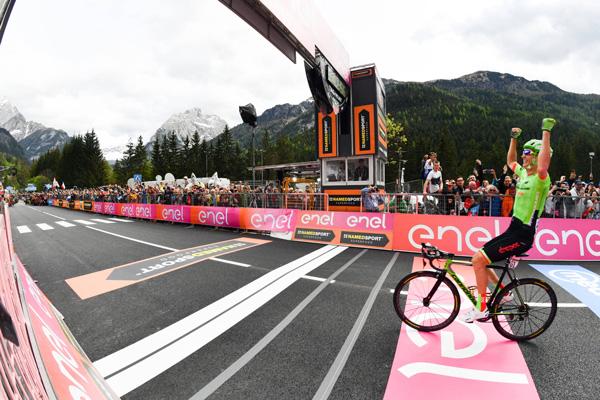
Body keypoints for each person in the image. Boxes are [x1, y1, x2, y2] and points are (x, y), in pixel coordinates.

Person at [463, 118, 555, 323]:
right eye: (524, 152)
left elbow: (544, 162)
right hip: (513, 228)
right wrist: (513, 139)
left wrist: (546, 131)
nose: (524, 156)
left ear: (538, 156)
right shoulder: (522, 173)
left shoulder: (541, 178)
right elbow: (510, 162)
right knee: (480, 259)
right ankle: (504, 293)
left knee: (478, 260)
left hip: (523, 234)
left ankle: (481, 308)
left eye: (528, 152)